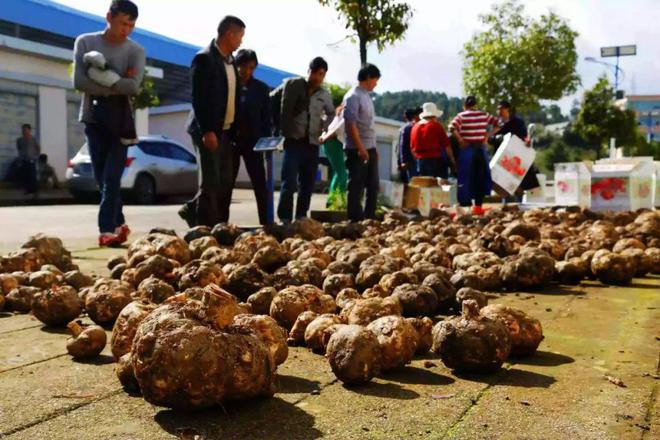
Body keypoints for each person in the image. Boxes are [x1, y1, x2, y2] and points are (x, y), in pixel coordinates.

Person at [73, 0, 145, 247]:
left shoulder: (135, 51)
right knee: (101, 177)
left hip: (122, 119)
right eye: (123, 23)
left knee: (112, 177)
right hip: (93, 116)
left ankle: (106, 229)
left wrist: (101, 77)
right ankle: (119, 222)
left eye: (131, 25)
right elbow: (80, 82)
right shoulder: (85, 42)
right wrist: (117, 82)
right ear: (109, 17)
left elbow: (133, 87)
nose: (127, 29)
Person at [182, 16, 245, 228]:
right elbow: (198, 98)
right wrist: (207, 130)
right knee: (211, 181)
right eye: (240, 37)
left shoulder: (231, 61)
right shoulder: (204, 58)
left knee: (225, 181)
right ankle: (205, 229)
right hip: (208, 130)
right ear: (229, 34)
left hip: (226, 131)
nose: (241, 42)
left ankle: (215, 222)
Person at [271, 57, 334, 223]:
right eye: (315, 73)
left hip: (312, 143)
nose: (318, 78)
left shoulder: (324, 95)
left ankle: (301, 216)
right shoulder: (295, 86)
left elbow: (332, 113)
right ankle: (285, 218)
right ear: (309, 71)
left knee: (307, 184)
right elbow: (275, 102)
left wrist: (325, 126)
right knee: (289, 182)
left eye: (321, 74)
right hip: (294, 141)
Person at [232, 49, 271, 225]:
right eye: (243, 67)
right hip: (231, 142)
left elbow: (266, 119)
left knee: (260, 185)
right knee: (225, 185)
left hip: (254, 144)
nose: (247, 71)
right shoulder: (229, 85)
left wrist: (265, 142)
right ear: (236, 65)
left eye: (251, 68)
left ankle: (266, 223)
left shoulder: (261, 89)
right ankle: (220, 224)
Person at [450, 96, 499, 216]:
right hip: (480, 150)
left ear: (465, 105)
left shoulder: (461, 116)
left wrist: (460, 139)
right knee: (480, 177)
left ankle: (466, 206)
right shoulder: (484, 114)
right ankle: (478, 205)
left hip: (467, 150)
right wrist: (487, 135)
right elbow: (499, 124)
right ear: (475, 105)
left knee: (466, 177)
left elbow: (451, 127)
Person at [343, 63, 381, 222]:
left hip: (369, 146)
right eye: (375, 79)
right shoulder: (353, 96)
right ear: (367, 77)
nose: (376, 83)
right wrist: (360, 148)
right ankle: (355, 219)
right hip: (356, 148)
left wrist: (373, 148)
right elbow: (351, 125)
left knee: (373, 185)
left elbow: (369, 126)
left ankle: (369, 217)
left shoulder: (367, 96)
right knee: (356, 185)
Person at [495, 100, 539, 200]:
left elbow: (523, 136)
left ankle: (519, 206)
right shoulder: (496, 124)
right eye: (498, 109)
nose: (499, 111)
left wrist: (526, 140)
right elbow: (490, 138)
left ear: (507, 109)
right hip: (503, 158)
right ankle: (505, 206)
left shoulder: (517, 122)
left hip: (516, 157)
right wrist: (497, 138)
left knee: (518, 183)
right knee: (504, 185)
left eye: (501, 108)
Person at [410, 102, 455, 181]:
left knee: (424, 185)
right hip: (434, 161)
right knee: (436, 187)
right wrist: (452, 159)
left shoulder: (415, 127)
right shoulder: (436, 126)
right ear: (434, 115)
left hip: (419, 161)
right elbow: (446, 145)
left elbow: (412, 148)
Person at [320, 104, 348, 210]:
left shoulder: (340, 114)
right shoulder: (346, 114)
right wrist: (324, 138)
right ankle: (339, 201)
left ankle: (332, 200)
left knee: (338, 173)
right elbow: (336, 130)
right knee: (343, 174)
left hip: (333, 143)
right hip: (333, 143)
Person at [397, 108, 421, 183]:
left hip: (411, 159)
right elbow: (402, 145)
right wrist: (403, 160)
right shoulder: (408, 128)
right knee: (413, 182)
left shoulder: (405, 128)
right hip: (410, 160)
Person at [15, 123, 40, 195]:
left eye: (26, 130)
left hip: (32, 160)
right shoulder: (19, 140)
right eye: (23, 130)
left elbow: (38, 148)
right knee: (25, 176)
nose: (24, 131)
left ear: (29, 130)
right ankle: (27, 190)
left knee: (32, 175)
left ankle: (34, 190)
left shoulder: (33, 139)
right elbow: (19, 148)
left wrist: (35, 156)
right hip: (23, 160)